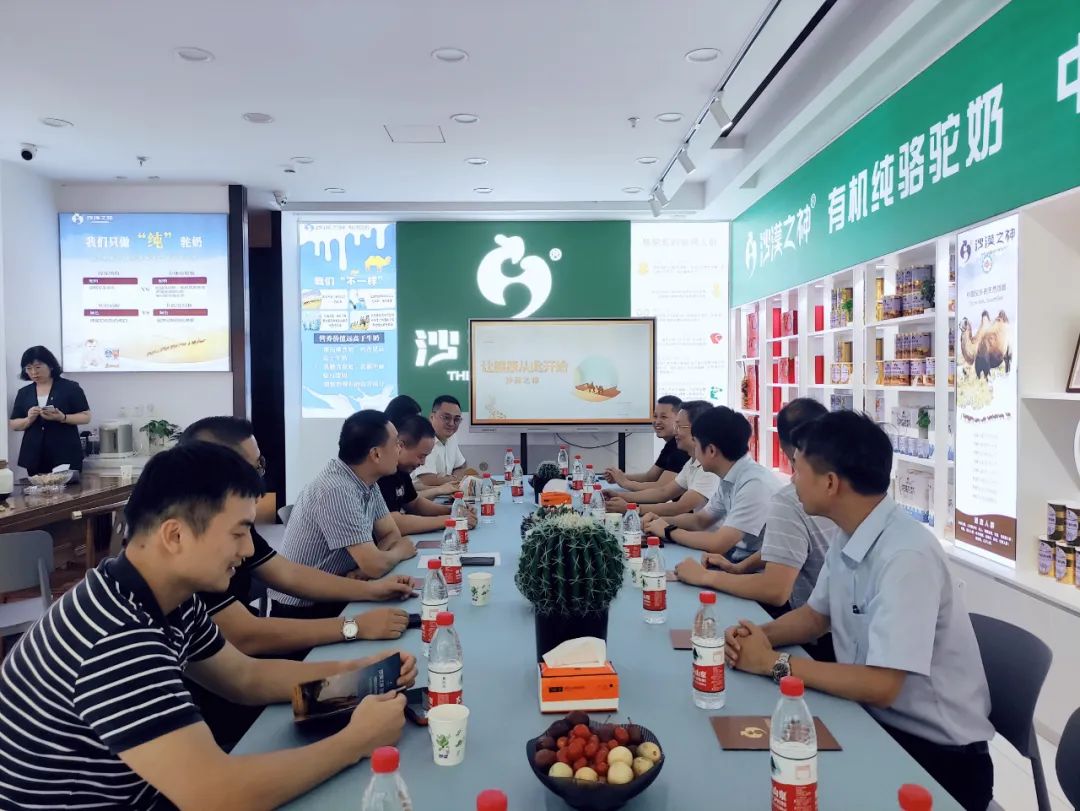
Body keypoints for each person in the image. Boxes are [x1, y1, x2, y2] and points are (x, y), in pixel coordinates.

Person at [0, 442, 417, 810]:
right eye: (239, 533)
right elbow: (218, 796)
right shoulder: (116, 638)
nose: (249, 549)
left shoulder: (162, 595)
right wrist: (356, 742)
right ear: (175, 536)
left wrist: (357, 673)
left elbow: (245, 677)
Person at [723, 411, 994, 811]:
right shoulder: (853, 531)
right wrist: (757, 636)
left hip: (936, 758)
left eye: (798, 470)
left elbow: (882, 686)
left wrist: (772, 663)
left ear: (830, 483)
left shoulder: (906, 556)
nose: (792, 480)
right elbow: (815, 617)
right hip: (870, 722)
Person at [672, 400, 836, 655]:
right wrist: (740, 569)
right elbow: (793, 549)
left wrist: (705, 576)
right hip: (815, 625)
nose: (793, 478)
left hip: (822, 639)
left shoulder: (790, 498)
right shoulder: (843, 503)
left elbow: (775, 590)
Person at [271, 410, 417, 619]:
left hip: (343, 588)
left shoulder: (367, 480)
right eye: (396, 443)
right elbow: (378, 563)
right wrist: (400, 552)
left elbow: (390, 534)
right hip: (304, 608)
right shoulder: (337, 489)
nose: (400, 449)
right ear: (376, 454)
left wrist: (365, 569)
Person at [645, 405, 778, 561]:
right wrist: (659, 521)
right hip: (734, 559)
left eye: (696, 443)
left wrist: (668, 531)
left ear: (711, 450)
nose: (694, 450)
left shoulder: (754, 484)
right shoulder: (729, 475)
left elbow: (718, 543)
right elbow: (700, 521)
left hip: (755, 568)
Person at [605, 400, 718, 517]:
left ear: (697, 429)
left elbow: (679, 508)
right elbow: (663, 492)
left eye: (679, 426)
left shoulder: (709, 468)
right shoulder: (692, 462)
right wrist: (619, 496)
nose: (675, 431)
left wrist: (631, 507)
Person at [379, 414, 477, 534]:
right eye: (421, 456)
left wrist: (453, 510)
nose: (423, 463)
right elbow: (393, 523)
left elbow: (414, 504)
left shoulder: (402, 471)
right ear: (400, 446)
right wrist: (452, 520)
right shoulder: (383, 474)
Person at [8, 345, 91, 475]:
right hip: (35, 456)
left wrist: (62, 417)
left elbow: (86, 416)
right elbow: (14, 424)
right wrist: (28, 419)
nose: (34, 372)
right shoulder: (24, 392)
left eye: (38, 367)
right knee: (38, 488)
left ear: (51, 366)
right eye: (28, 368)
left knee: (68, 488)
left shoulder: (70, 387)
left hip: (65, 454)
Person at [603, 395, 689, 490]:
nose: (657, 421)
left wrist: (624, 483)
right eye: (655, 416)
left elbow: (662, 489)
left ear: (678, 419)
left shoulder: (681, 448)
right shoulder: (671, 445)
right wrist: (619, 477)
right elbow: (650, 477)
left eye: (663, 417)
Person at [412, 395, 468, 487]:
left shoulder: (452, 437)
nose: (452, 423)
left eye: (456, 419)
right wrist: (456, 479)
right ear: (432, 417)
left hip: (446, 493)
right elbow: (429, 480)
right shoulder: (423, 439)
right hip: (423, 495)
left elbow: (461, 466)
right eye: (446, 417)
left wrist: (449, 478)